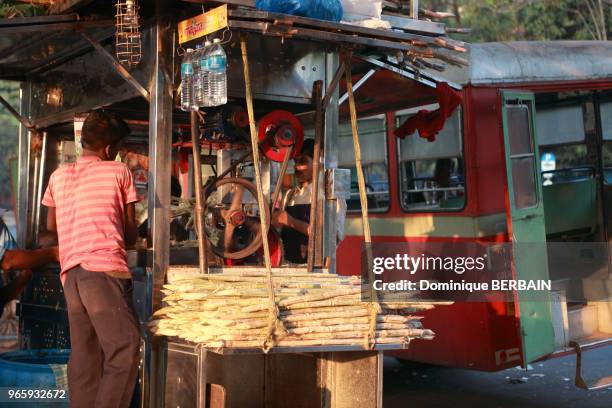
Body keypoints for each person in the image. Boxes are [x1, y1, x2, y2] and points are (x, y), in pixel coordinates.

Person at [42, 109, 140, 408]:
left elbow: (51, 226)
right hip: (103, 271)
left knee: (85, 356)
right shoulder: (118, 171)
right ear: (111, 149)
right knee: (125, 345)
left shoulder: (58, 176)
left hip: (71, 275)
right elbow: (131, 232)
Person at [272, 139, 346, 264]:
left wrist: (290, 221)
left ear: (319, 163)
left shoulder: (329, 192)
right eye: (295, 161)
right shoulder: (290, 195)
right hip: (288, 268)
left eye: (303, 162)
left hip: (316, 269)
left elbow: (329, 238)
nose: (296, 167)